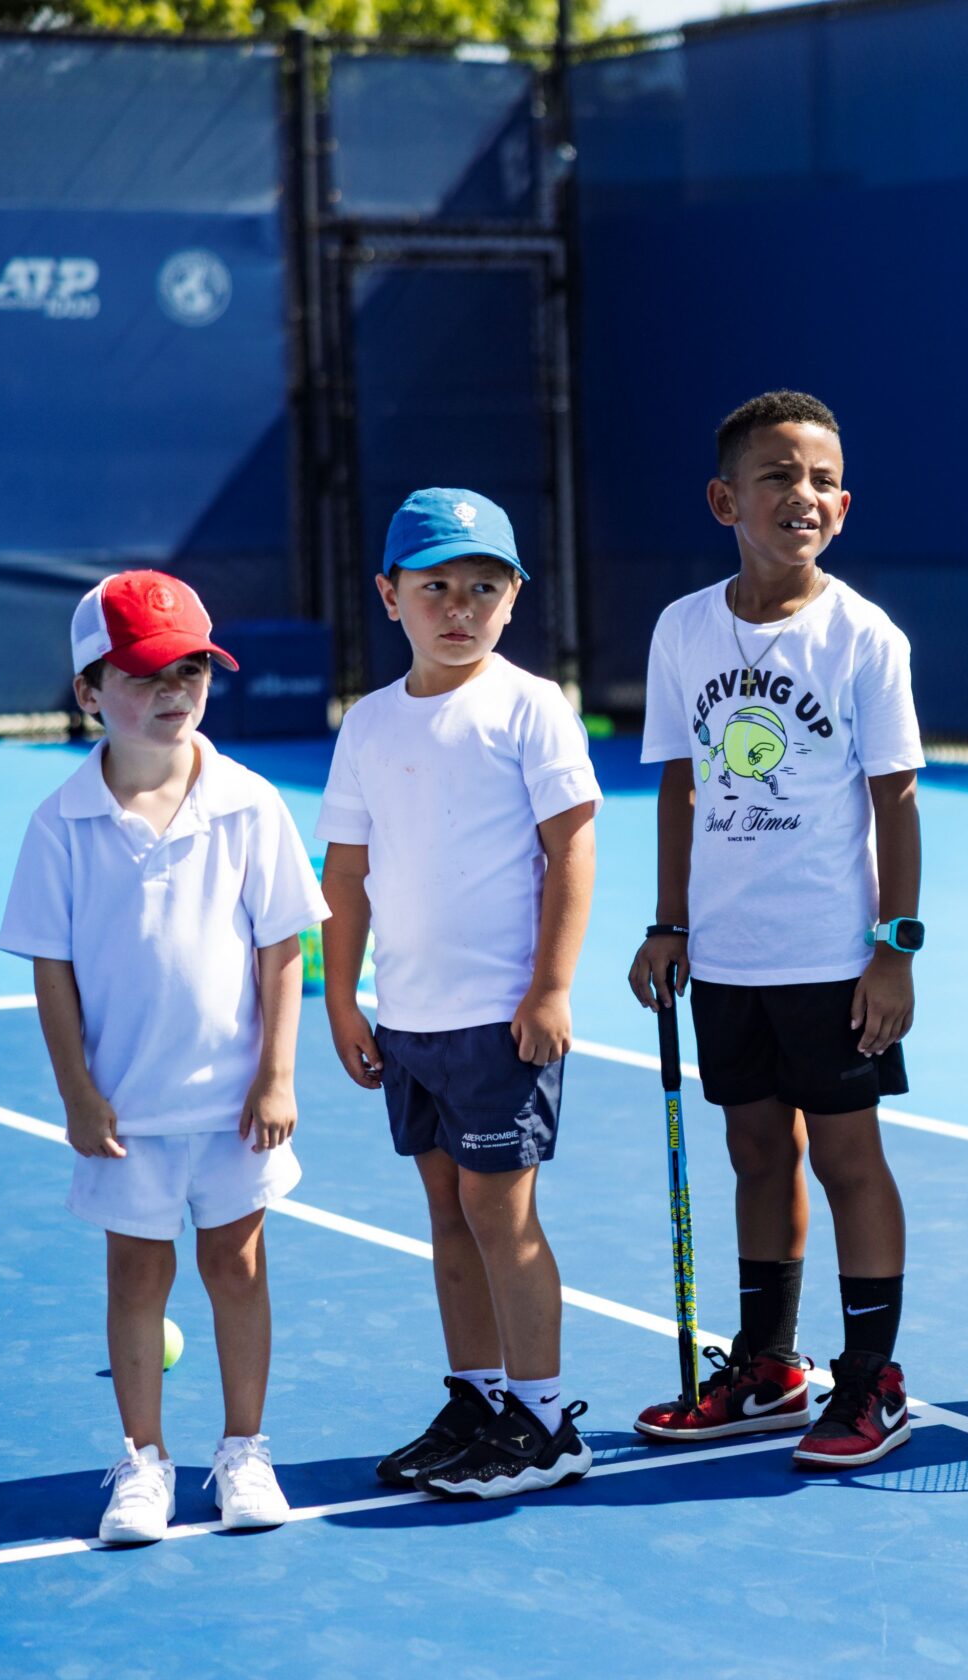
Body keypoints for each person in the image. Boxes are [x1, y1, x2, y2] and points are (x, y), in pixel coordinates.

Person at [628, 391, 928, 1471]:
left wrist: (894, 946)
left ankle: (872, 1378)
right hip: (726, 954)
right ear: (725, 500)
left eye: (819, 480)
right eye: (776, 475)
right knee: (754, 1147)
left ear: (840, 508)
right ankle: (768, 1364)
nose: (800, 495)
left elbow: (896, 799)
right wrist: (668, 924)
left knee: (850, 1157)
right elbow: (677, 785)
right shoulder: (682, 629)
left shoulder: (861, 638)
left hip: (835, 957)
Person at [0, 570, 327, 1542]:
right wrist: (78, 1094)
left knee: (238, 1267)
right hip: (127, 1115)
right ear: (90, 691)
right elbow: (51, 970)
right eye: (144, 675)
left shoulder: (251, 802)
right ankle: (142, 1461)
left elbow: (282, 950)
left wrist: (276, 1074)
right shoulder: (58, 823)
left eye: (190, 669)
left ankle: (244, 1451)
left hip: (235, 1107)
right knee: (137, 1281)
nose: (174, 691)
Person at [320, 489, 602, 1500]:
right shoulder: (368, 723)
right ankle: (479, 1394)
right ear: (390, 595)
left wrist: (550, 988)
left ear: (513, 598)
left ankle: (544, 1417)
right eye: (435, 585)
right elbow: (344, 872)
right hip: (409, 1021)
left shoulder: (529, 706)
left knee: (500, 1212)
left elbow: (571, 848)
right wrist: (344, 1000)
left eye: (482, 586)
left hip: (502, 1020)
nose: (458, 605)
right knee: (446, 1210)